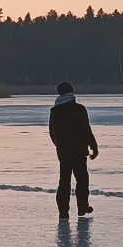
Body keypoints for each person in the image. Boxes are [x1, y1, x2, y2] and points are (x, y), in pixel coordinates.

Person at [48, 82, 99, 218]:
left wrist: (60, 146)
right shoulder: (79, 109)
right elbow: (86, 130)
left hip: (64, 152)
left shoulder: (54, 111)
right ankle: (82, 207)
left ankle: (63, 212)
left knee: (64, 181)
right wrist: (93, 147)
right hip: (79, 151)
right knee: (82, 180)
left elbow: (52, 133)